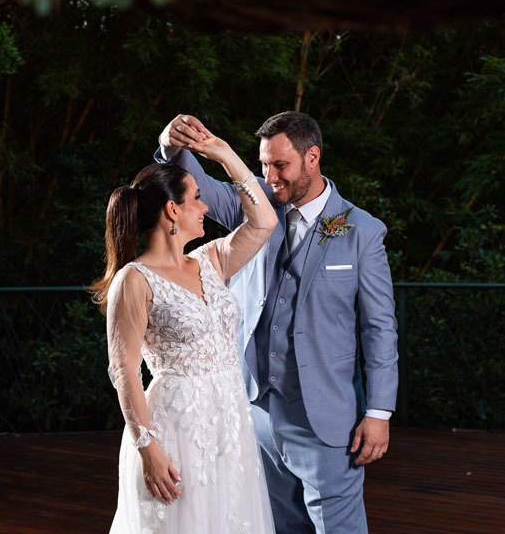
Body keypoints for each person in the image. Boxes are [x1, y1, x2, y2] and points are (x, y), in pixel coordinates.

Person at [157, 111, 398, 534]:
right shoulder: (256, 206)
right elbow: (196, 185)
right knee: (277, 526)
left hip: (324, 418)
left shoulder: (361, 231)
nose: (269, 177)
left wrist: (379, 412)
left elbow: (379, 328)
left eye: (280, 165)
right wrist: (170, 146)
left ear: (312, 158)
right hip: (256, 412)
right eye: (264, 165)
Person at [93, 131, 279, 534]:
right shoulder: (134, 279)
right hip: (176, 428)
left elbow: (265, 221)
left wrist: (224, 155)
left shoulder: (211, 260)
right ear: (172, 210)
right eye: (197, 197)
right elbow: (124, 370)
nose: (206, 206)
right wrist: (148, 449)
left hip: (229, 422)